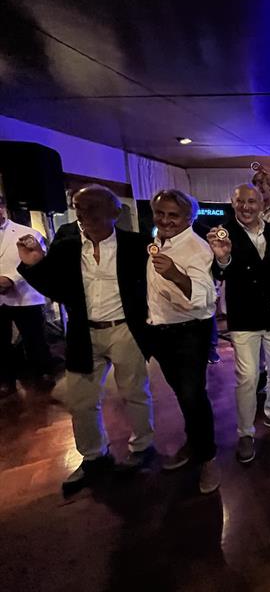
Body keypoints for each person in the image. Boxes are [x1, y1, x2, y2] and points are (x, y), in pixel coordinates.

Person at [16, 185, 154, 491]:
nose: (83, 214)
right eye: (78, 207)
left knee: (134, 392)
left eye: (91, 207)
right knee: (81, 400)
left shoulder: (136, 245)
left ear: (113, 212)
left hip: (125, 329)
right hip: (83, 331)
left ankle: (143, 447)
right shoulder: (67, 246)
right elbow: (55, 288)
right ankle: (93, 456)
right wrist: (33, 263)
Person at [208, 184, 270, 464]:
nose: (246, 207)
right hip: (243, 316)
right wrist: (222, 258)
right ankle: (245, 431)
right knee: (247, 377)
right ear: (233, 204)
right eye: (240, 202)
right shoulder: (223, 233)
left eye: (251, 201)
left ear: (261, 203)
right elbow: (219, 272)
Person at [147, 189, 220, 494]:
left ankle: (208, 459)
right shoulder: (154, 242)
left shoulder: (197, 248)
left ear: (189, 217)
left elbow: (204, 298)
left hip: (189, 333)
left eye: (173, 215)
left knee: (193, 396)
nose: (165, 220)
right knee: (182, 395)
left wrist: (176, 275)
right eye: (160, 213)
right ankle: (195, 443)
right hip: (160, 332)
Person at [0, 196, 53, 396]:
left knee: (34, 338)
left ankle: (43, 373)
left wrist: (11, 279)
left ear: (3, 207)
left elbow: (37, 261)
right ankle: (6, 380)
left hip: (24, 294)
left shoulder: (27, 233)